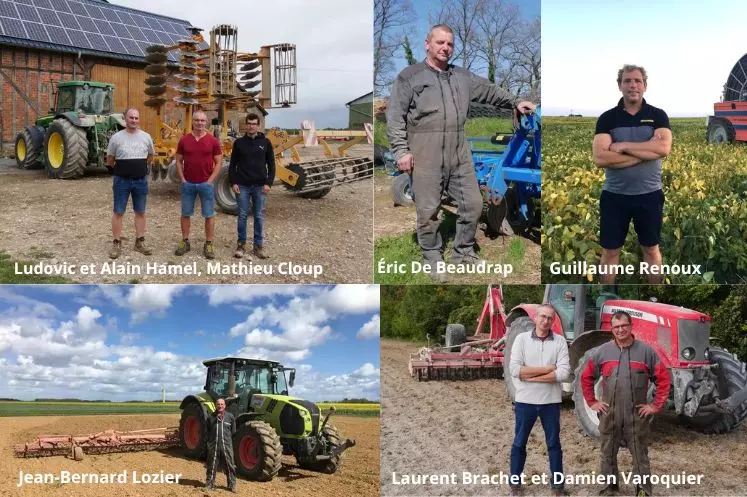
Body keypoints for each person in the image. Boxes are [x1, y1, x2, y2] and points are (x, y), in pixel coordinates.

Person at [386, 23, 535, 281]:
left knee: (474, 203)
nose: (445, 48)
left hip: (459, 151)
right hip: (425, 151)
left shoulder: (462, 77)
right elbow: (395, 116)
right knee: (428, 210)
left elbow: (489, 91)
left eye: (450, 44)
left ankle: (463, 253)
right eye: (440, 43)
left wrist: (514, 101)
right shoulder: (410, 76)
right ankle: (432, 257)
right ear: (427, 44)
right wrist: (401, 151)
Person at [592, 65, 672, 284]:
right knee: (610, 252)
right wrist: (647, 151)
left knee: (651, 249)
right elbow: (600, 158)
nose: (632, 85)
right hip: (615, 197)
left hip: (650, 195)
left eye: (637, 80)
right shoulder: (607, 119)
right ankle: (604, 295)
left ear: (645, 85)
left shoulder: (658, 116)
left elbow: (663, 149)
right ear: (620, 86)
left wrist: (624, 145)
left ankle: (655, 294)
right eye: (627, 81)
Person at [579, 311, 671, 496]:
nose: (620, 330)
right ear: (611, 329)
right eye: (616, 327)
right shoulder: (602, 351)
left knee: (640, 454)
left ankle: (643, 490)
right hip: (609, 413)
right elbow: (585, 376)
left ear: (631, 326)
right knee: (607, 451)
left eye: (624, 326)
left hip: (636, 414)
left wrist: (654, 405)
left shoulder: (646, 352)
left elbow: (664, 379)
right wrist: (592, 402)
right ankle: (608, 488)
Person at [507, 304, 571, 497]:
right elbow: (515, 370)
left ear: (553, 321)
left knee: (554, 444)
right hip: (525, 401)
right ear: (535, 317)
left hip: (550, 402)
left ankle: (557, 486)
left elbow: (563, 373)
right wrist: (547, 369)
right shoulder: (521, 339)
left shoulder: (560, 342)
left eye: (550, 318)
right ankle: (515, 483)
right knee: (519, 442)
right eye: (542, 317)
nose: (546, 321)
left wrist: (530, 376)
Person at [106, 107, 154, 259]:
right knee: (118, 211)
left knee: (140, 211)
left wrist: (138, 169)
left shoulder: (146, 137)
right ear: (125, 119)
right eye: (131, 117)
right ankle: (116, 242)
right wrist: (123, 170)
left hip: (140, 181)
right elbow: (110, 159)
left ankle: (139, 242)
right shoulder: (116, 138)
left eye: (136, 118)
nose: (134, 120)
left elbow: (150, 157)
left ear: (138, 120)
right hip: (121, 181)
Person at [174, 110, 223, 259]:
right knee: (185, 214)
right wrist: (182, 179)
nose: (199, 123)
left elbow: (219, 162)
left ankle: (208, 243)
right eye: (197, 120)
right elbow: (178, 160)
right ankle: (185, 241)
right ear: (192, 122)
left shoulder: (213, 141)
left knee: (209, 215)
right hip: (188, 184)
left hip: (205, 184)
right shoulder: (184, 140)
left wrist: (210, 181)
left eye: (202, 120)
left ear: (206, 122)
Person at [228, 113, 275, 259]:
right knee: (242, 216)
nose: (251, 126)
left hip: (260, 187)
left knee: (259, 216)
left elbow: (272, 165)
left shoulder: (266, 143)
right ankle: (241, 245)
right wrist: (233, 182)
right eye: (249, 123)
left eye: (254, 124)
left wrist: (268, 183)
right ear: (245, 125)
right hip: (242, 186)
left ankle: (258, 247)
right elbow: (232, 165)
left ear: (258, 125)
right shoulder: (239, 143)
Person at [205, 398, 236, 492]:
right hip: (214, 446)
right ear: (215, 405)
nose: (220, 406)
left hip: (226, 445)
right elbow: (208, 432)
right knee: (211, 465)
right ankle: (209, 484)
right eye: (218, 404)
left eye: (222, 404)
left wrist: (228, 443)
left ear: (225, 405)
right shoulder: (210, 418)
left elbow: (233, 432)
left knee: (230, 465)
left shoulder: (230, 417)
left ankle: (232, 485)